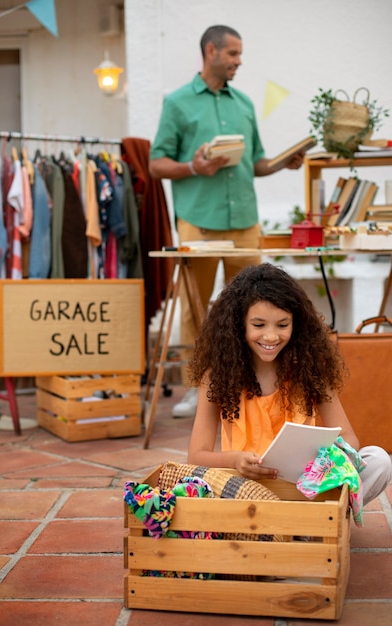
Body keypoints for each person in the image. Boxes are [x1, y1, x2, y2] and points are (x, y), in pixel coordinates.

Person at [149, 24, 304, 418]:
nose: (239, 61)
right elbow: (155, 164)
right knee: (196, 308)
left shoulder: (245, 104)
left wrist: (285, 162)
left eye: (239, 54)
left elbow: (257, 163)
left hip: (245, 223)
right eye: (233, 54)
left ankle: (251, 384)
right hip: (197, 222)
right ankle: (194, 389)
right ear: (211, 51)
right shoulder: (178, 102)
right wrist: (193, 166)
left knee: (258, 306)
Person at [187, 263, 392, 506]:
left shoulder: (309, 369)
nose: (271, 336)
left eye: (282, 325)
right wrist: (235, 460)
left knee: (379, 460)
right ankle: (310, 528)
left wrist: (324, 458)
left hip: (306, 486)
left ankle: (308, 526)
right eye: (259, 325)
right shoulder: (218, 375)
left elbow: (349, 438)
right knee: (199, 485)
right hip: (244, 488)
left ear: (297, 325)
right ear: (238, 325)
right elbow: (196, 456)